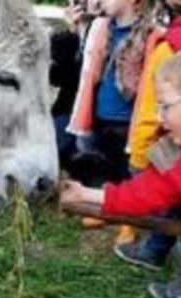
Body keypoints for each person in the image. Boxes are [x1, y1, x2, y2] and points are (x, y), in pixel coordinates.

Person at [61, 52, 181, 298]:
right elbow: (143, 192)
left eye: (166, 107)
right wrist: (84, 194)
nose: (159, 117)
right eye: (157, 107)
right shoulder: (172, 148)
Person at [68, 0, 152, 234]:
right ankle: (107, 209)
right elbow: (86, 66)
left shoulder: (147, 33)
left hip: (127, 119)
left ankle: (130, 222)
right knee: (106, 169)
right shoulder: (103, 28)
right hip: (100, 113)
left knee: (127, 173)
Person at [116, 1, 181, 268]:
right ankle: (153, 251)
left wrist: (140, 153)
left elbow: (149, 109)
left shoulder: (169, 46)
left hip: (162, 143)